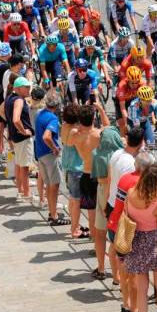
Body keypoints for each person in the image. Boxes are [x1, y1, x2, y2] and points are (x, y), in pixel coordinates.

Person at [107, 150, 154, 312]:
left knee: (124, 271)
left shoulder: (125, 178)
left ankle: (125, 305)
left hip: (116, 225)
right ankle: (135, 310)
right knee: (134, 274)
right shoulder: (141, 184)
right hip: (129, 231)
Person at [65, 104, 111, 280]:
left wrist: (75, 129)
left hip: (85, 173)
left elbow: (67, 141)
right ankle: (101, 243)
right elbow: (108, 127)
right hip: (99, 174)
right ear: (93, 119)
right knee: (104, 212)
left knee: (92, 214)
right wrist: (101, 109)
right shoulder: (98, 134)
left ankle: (95, 243)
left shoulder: (76, 136)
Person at [123, 164, 157, 312]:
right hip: (155, 244)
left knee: (142, 288)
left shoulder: (130, 194)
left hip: (136, 243)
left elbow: (126, 215)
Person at [92, 126, 124, 283]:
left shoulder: (98, 155)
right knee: (117, 236)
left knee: (100, 232)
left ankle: (101, 267)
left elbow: (99, 178)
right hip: (119, 195)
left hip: (103, 192)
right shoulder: (122, 155)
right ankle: (118, 274)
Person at [35, 92, 71, 226]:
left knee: (49, 185)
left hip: (40, 154)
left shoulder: (40, 114)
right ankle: (54, 216)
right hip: (49, 155)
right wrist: (55, 147)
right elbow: (46, 136)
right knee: (54, 186)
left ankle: (52, 212)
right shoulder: (52, 119)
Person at [61, 104, 90, 240]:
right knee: (77, 201)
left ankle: (74, 225)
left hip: (67, 165)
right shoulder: (76, 130)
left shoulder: (64, 127)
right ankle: (75, 229)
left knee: (72, 198)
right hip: (76, 168)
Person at [5, 77, 34, 201]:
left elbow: (2, 111)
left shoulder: (9, 98)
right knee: (25, 166)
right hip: (22, 138)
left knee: (18, 163)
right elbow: (16, 119)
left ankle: (20, 190)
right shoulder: (19, 100)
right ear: (18, 88)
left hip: (14, 136)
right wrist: (24, 131)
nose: (29, 89)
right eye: (26, 87)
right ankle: (26, 193)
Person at [127, 86, 157, 150]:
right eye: (145, 101)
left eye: (150, 100)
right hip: (133, 123)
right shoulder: (134, 106)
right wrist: (142, 143)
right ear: (140, 99)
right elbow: (137, 128)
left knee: (151, 145)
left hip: (144, 121)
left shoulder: (154, 103)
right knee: (139, 146)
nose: (148, 103)